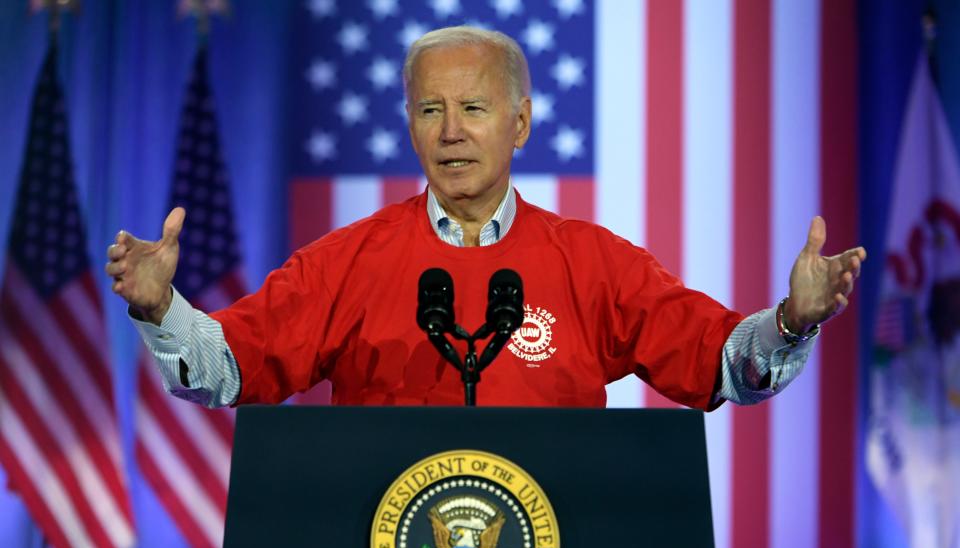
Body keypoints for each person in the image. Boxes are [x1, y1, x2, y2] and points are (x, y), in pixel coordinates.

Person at [106, 26, 865, 410]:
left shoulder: (593, 262)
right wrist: (159, 307)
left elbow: (721, 362)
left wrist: (792, 321)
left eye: (473, 109)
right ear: (409, 126)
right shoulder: (348, 260)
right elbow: (232, 364)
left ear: (521, 124)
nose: (451, 132)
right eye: (430, 110)